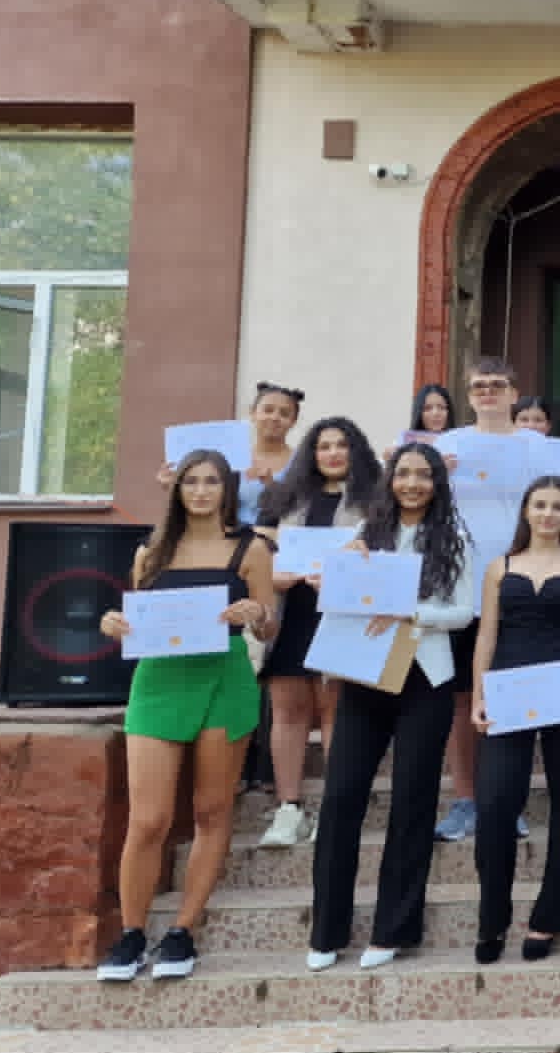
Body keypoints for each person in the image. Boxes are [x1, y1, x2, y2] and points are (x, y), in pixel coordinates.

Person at [95, 452, 277, 982]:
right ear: (176, 489)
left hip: (225, 679)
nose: (200, 490)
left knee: (211, 812)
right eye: (190, 481)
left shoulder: (251, 548)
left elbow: (269, 629)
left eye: (211, 481)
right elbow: (138, 620)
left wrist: (257, 614)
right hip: (158, 682)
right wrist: (113, 623)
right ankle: (131, 934)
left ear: (227, 489)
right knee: (148, 819)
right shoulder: (150, 551)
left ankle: (182, 931)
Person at [307, 442, 476, 971]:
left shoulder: (455, 537)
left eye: (423, 475)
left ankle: (393, 930)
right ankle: (327, 931)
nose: (412, 484)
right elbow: (337, 593)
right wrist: (333, 573)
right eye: (403, 474)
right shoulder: (366, 532)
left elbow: (463, 611)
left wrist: (410, 611)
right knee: (341, 797)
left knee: (412, 800)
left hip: (426, 676)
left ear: (437, 483)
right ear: (390, 479)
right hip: (367, 671)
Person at [469, 476, 560, 964]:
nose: (548, 514)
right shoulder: (500, 567)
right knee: (495, 804)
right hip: (508, 691)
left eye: (557, 507)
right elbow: (486, 635)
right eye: (540, 505)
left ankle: (550, 918)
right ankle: (492, 918)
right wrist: (478, 696)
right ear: (526, 510)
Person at [253, 417, 384, 847]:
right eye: (323, 446)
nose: (332, 453)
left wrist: (350, 570)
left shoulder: (375, 502)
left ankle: (336, 808)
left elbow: (384, 563)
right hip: (291, 614)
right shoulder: (282, 498)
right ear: (311, 453)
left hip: (342, 616)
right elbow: (255, 558)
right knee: (288, 713)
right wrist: (275, 577)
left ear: (355, 451)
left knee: (335, 714)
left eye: (341, 445)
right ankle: (288, 808)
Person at [432, 358, 539, 843]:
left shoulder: (538, 446)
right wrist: (432, 474)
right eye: (479, 386)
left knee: (514, 696)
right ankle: (465, 800)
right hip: (459, 588)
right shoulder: (446, 445)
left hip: (521, 586)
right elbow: (410, 501)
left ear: (515, 393)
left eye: (498, 385)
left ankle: (507, 801)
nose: (488, 392)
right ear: (469, 394)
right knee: (462, 700)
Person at [154, 380, 300, 530]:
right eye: (268, 410)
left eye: (284, 414)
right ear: (252, 413)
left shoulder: (301, 461)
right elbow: (205, 498)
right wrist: (175, 485)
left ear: (293, 421)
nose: (275, 417)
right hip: (224, 536)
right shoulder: (229, 455)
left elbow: (301, 510)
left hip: (274, 538)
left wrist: (270, 485)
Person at [512, 394, 560, 491]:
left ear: (548, 426)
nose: (531, 426)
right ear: (513, 424)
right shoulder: (502, 457)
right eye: (524, 420)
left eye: (538, 420)